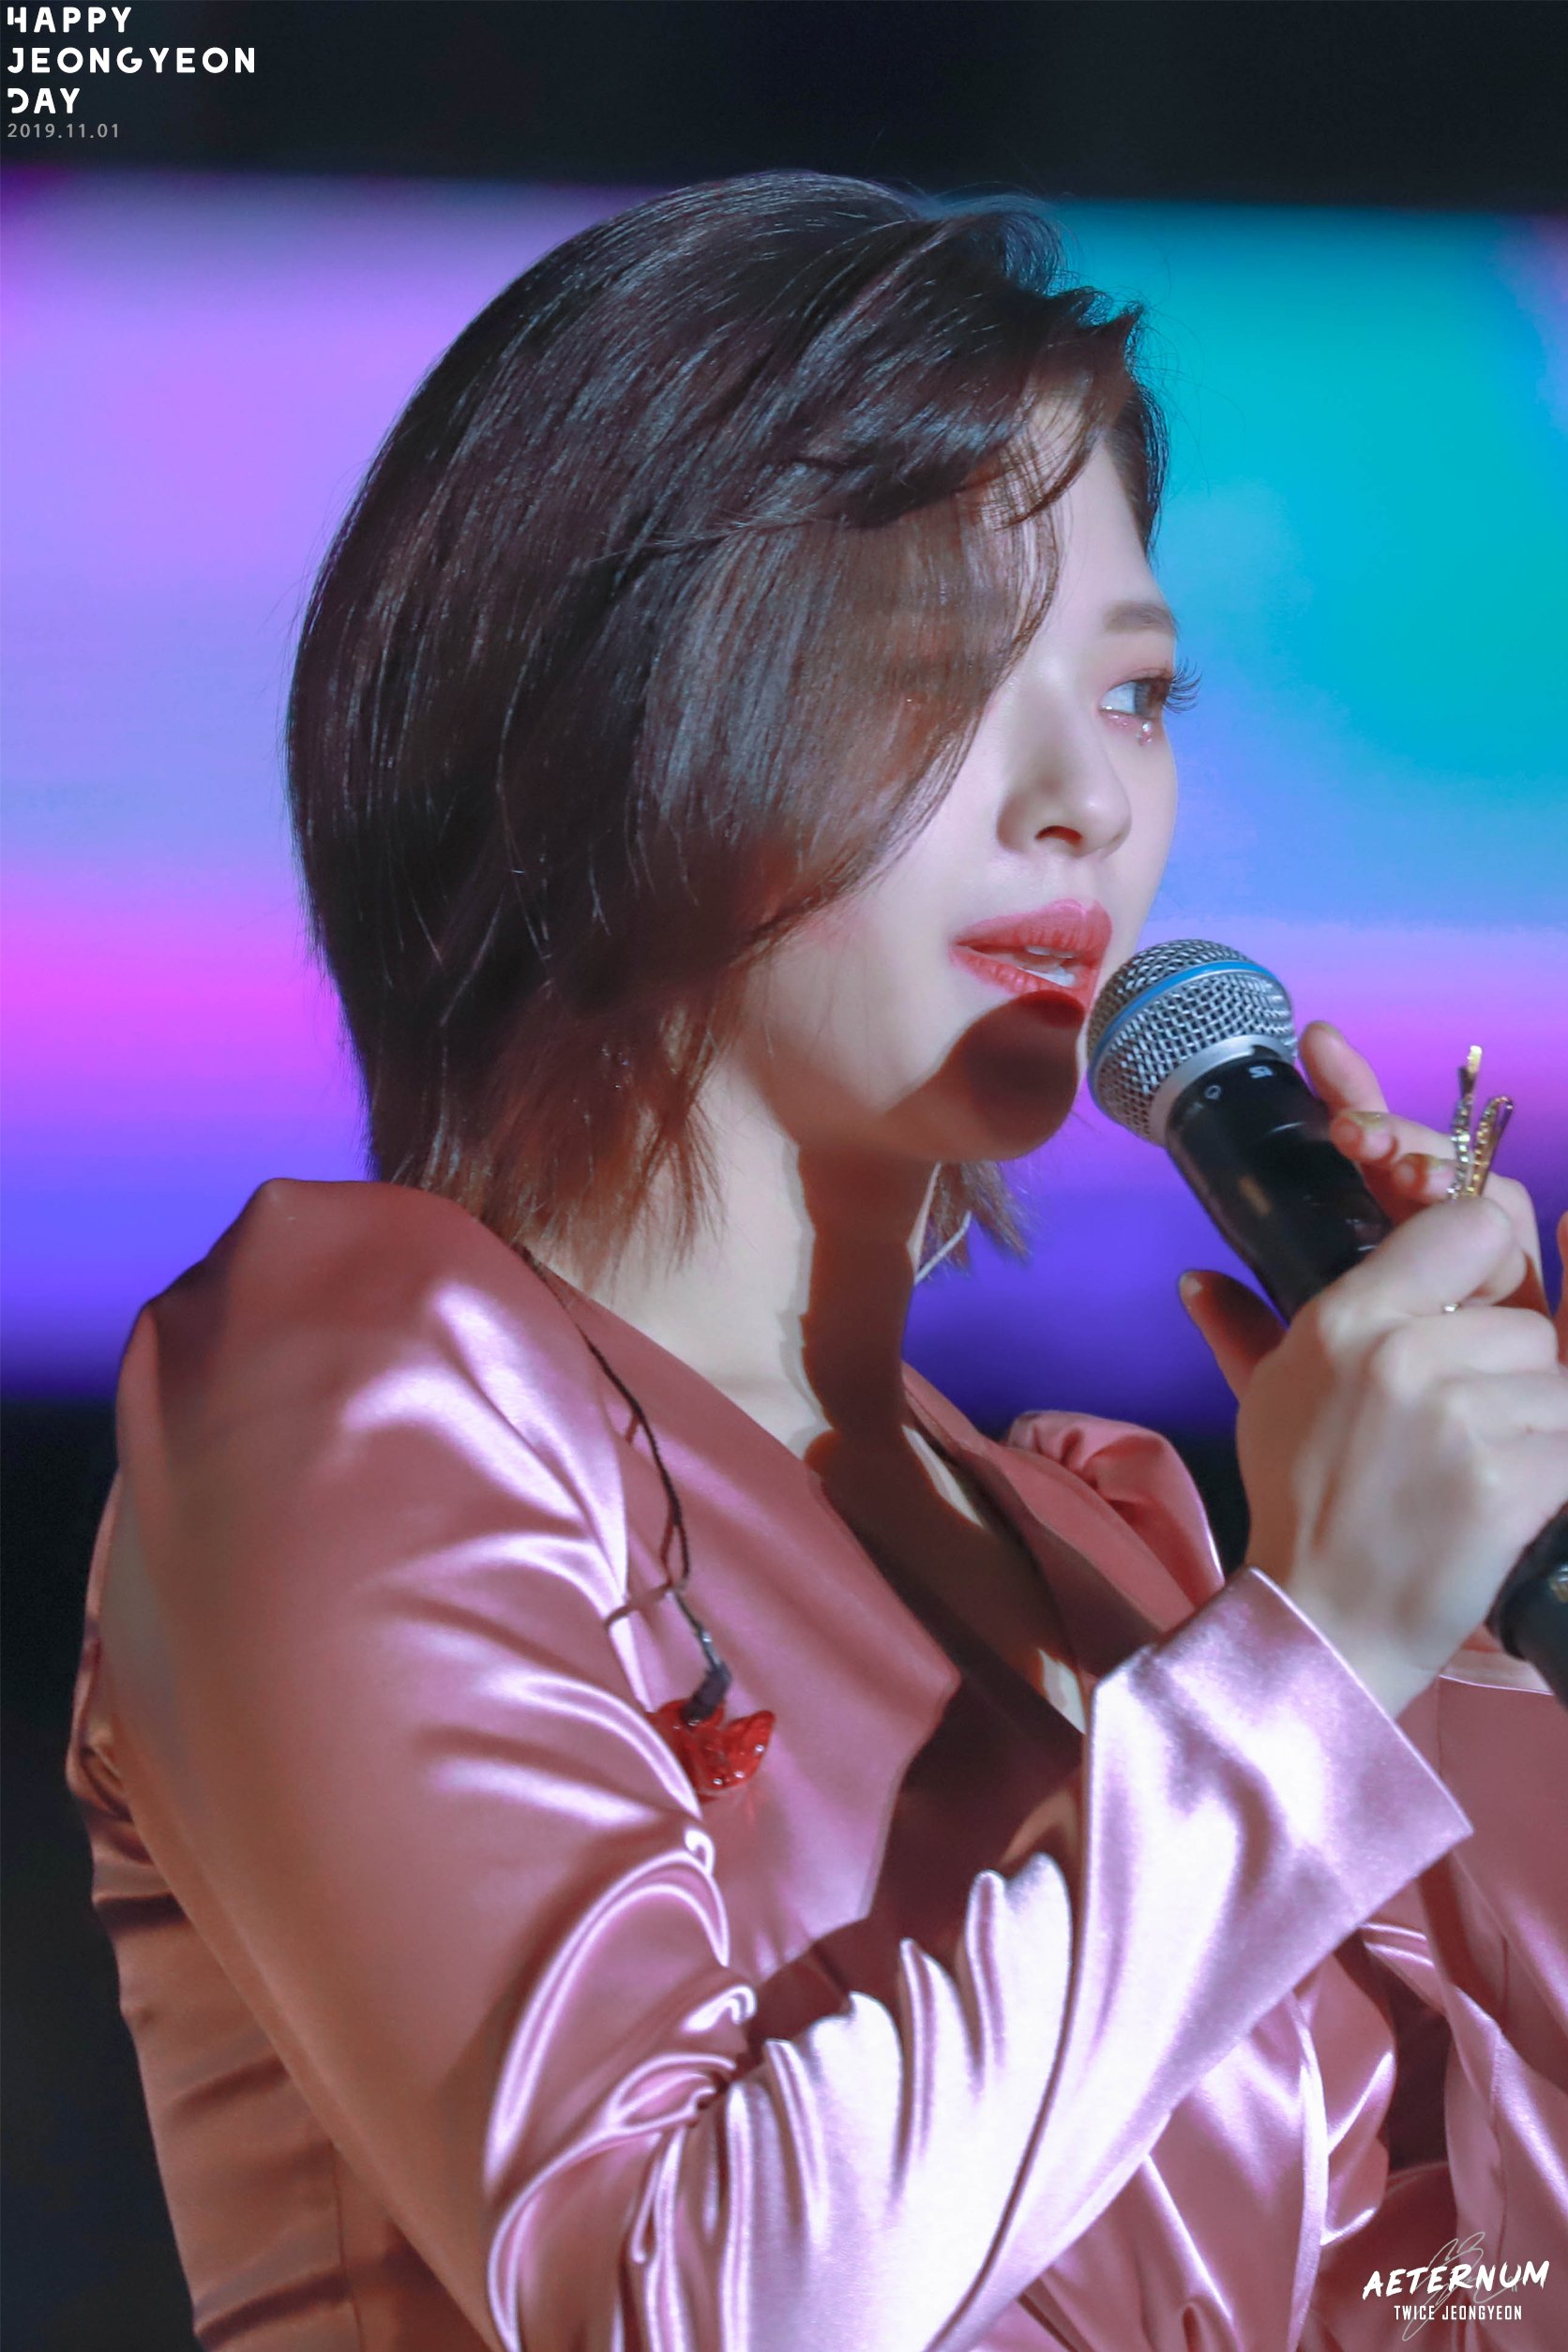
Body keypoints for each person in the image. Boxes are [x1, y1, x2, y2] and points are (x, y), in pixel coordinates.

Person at [67, 173, 1568, 2352]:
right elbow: (681, 2296)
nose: (1081, 800)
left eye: (1134, 693)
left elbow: (1468, 2280)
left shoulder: (1111, 1551)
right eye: (927, 673)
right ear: (594, 722)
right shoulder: (364, 1383)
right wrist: (1314, 1659)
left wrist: (1468, 1626)